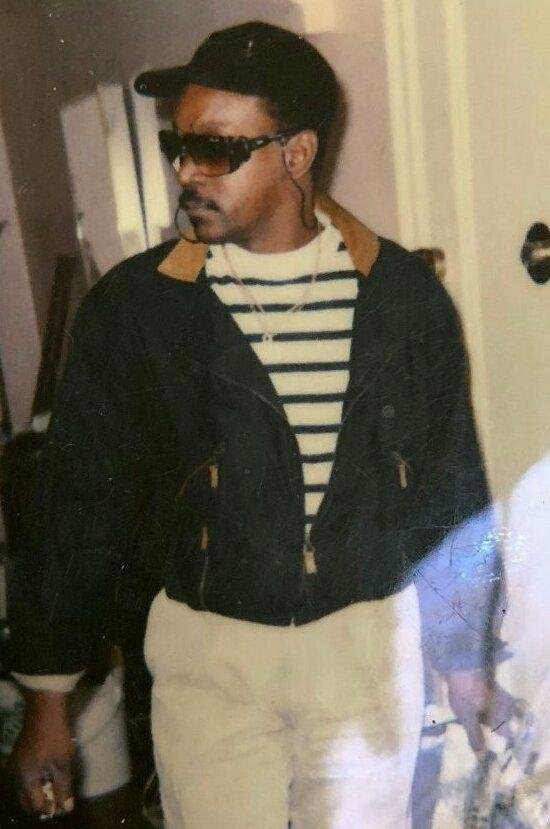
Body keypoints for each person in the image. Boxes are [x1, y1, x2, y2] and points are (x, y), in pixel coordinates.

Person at [7, 20, 508, 828]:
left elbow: (450, 487)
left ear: (297, 154)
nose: (185, 170)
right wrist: (47, 697)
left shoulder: (402, 298)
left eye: (215, 150)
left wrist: (466, 658)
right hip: (210, 661)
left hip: (364, 655)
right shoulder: (138, 310)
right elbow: (78, 506)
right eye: (178, 145)